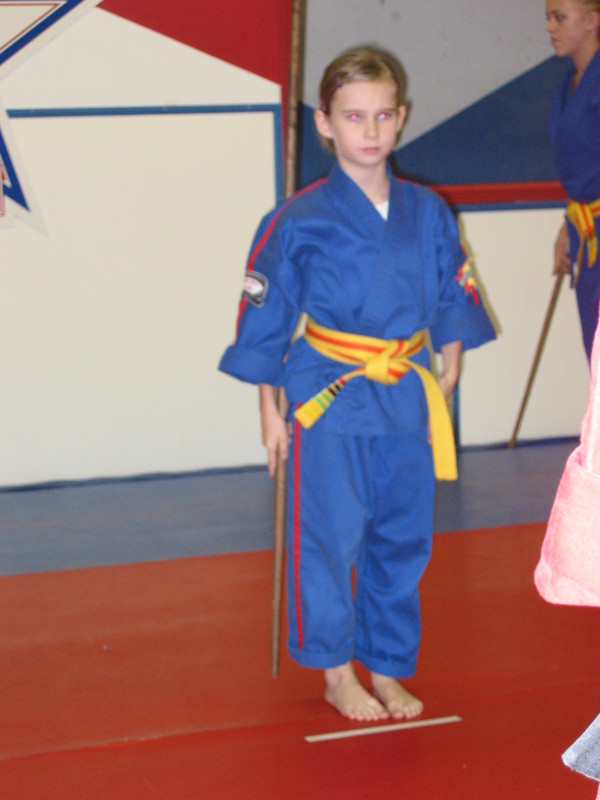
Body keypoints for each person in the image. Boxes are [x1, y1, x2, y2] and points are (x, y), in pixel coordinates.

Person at [219, 46, 495, 721]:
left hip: (405, 390)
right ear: (324, 122)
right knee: (328, 537)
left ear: (401, 117)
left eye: (382, 115)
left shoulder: (429, 210)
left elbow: (454, 289)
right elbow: (265, 316)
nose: (370, 131)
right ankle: (337, 670)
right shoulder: (296, 219)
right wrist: (269, 411)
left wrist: (451, 362)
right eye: (353, 116)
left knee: (402, 538)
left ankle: (389, 664)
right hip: (328, 394)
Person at [547, 0, 600, 361]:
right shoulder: (570, 84)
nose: (550, 27)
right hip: (586, 229)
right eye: (548, 18)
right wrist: (569, 225)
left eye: (560, 18)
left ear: (592, 20)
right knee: (594, 347)